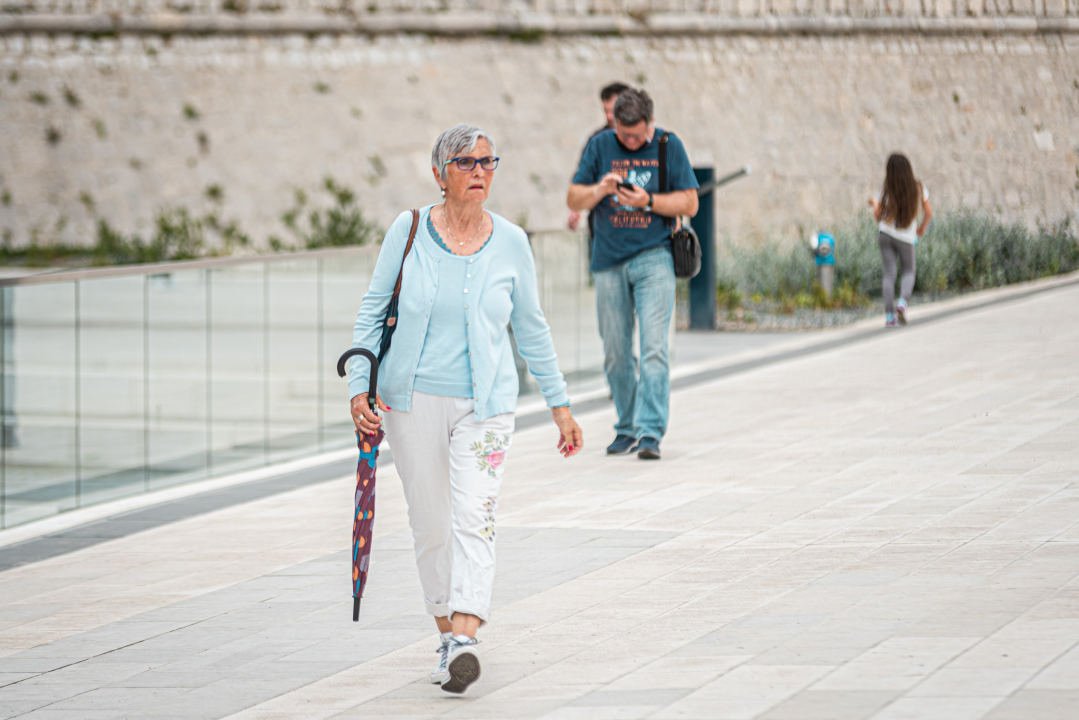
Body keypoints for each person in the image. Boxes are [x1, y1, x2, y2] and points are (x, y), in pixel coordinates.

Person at [349, 124, 584, 695]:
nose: (480, 171)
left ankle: (465, 636)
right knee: (431, 524)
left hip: (487, 406)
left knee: (473, 516)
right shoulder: (406, 231)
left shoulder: (511, 242)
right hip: (410, 402)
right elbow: (372, 310)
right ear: (439, 174)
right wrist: (360, 386)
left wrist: (560, 405)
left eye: (488, 161)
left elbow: (531, 326)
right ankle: (446, 637)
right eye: (466, 163)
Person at [566, 88, 698, 461]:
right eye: (625, 136)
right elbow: (574, 198)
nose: (632, 142)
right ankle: (626, 426)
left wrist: (649, 201)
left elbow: (690, 201)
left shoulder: (668, 146)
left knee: (654, 347)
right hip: (607, 260)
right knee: (615, 351)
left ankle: (650, 431)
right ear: (614, 125)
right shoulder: (600, 146)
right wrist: (599, 190)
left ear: (650, 123)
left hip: (654, 257)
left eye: (638, 135)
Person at [868, 153, 932, 327]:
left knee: (889, 273)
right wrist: (921, 229)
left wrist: (874, 203)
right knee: (909, 271)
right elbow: (928, 212)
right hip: (906, 237)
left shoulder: (885, 189)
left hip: (886, 235)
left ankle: (889, 316)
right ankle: (902, 303)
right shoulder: (918, 188)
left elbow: (878, 215)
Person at [568, 82, 629, 233]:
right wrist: (576, 210)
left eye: (612, 111)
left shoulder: (649, 140)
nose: (609, 116)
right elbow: (581, 181)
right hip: (603, 229)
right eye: (605, 111)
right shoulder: (596, 142)